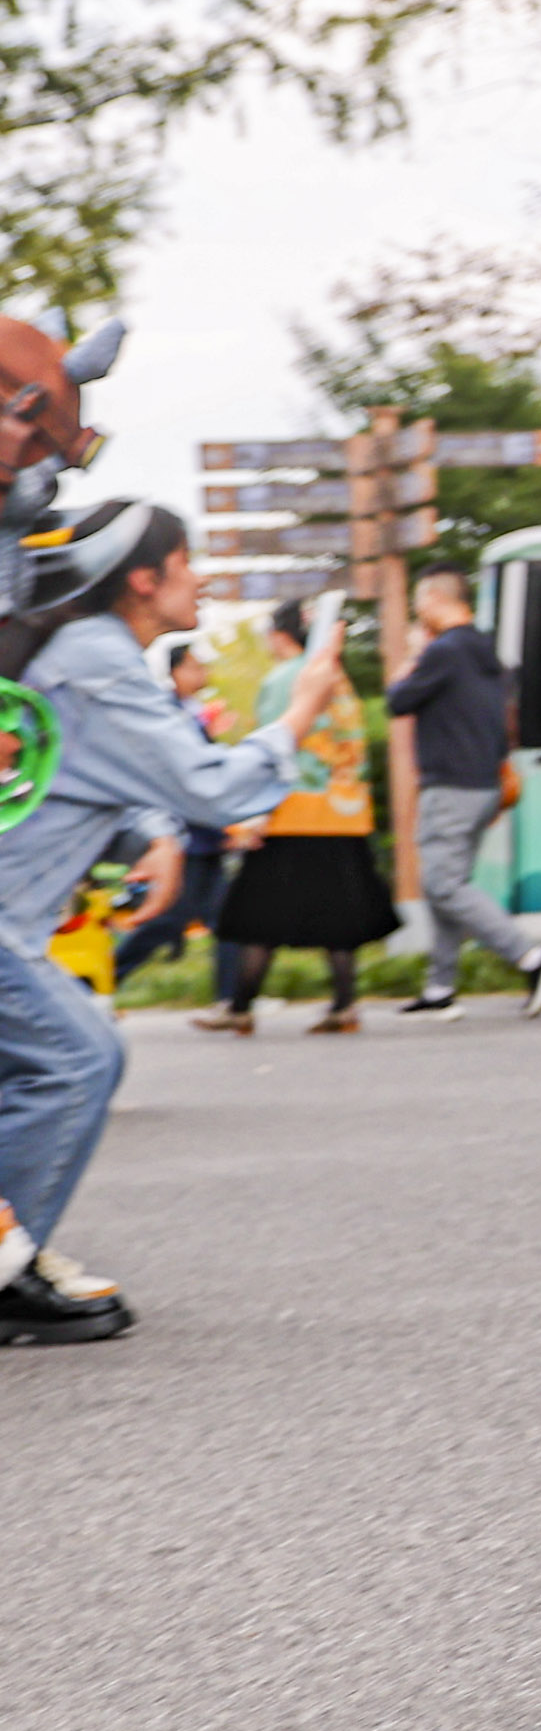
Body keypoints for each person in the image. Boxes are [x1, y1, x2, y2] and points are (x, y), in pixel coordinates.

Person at [0, 503, 329, 1339]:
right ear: (144, 579)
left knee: (71, 1058)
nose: (204, 581)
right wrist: (298, 714)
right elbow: (210, 786)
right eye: (189, 564)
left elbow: (70, 768)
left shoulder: (92, 654)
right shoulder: (96, 661)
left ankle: (13, 1257)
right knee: (77, 1056)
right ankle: (7, 1274)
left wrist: (150, 833)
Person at [380, 571, 541, 1024]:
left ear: (433, 599)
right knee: (446, 885)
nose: (416, 610)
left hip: (451, 783)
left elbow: (398, 700)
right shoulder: (484, 649)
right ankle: (440, 988)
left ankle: (531, 957)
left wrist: (411, 654)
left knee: (444, 884)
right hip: (485, 782)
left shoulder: (443, 651)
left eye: (418, 600)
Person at [205, 600, 391, 1037]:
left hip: (293, 813)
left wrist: (252, 816)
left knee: (256, 915)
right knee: (338, 921)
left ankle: (239, 1007)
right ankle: (345, 1006)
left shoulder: (288, 678)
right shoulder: (336, 677)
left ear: (279, 635)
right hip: (344, 813)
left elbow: (275, 747)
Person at [102, 638, 229, 992]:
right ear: (176, 671)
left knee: (221, 916)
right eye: (195, 665)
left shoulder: (191, 712)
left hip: (201, 835)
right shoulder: (170, 714)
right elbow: (183, 776)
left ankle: (234, 1000)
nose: (203, 672)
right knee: (169, 918)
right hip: (183, 834)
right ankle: (98, 982)